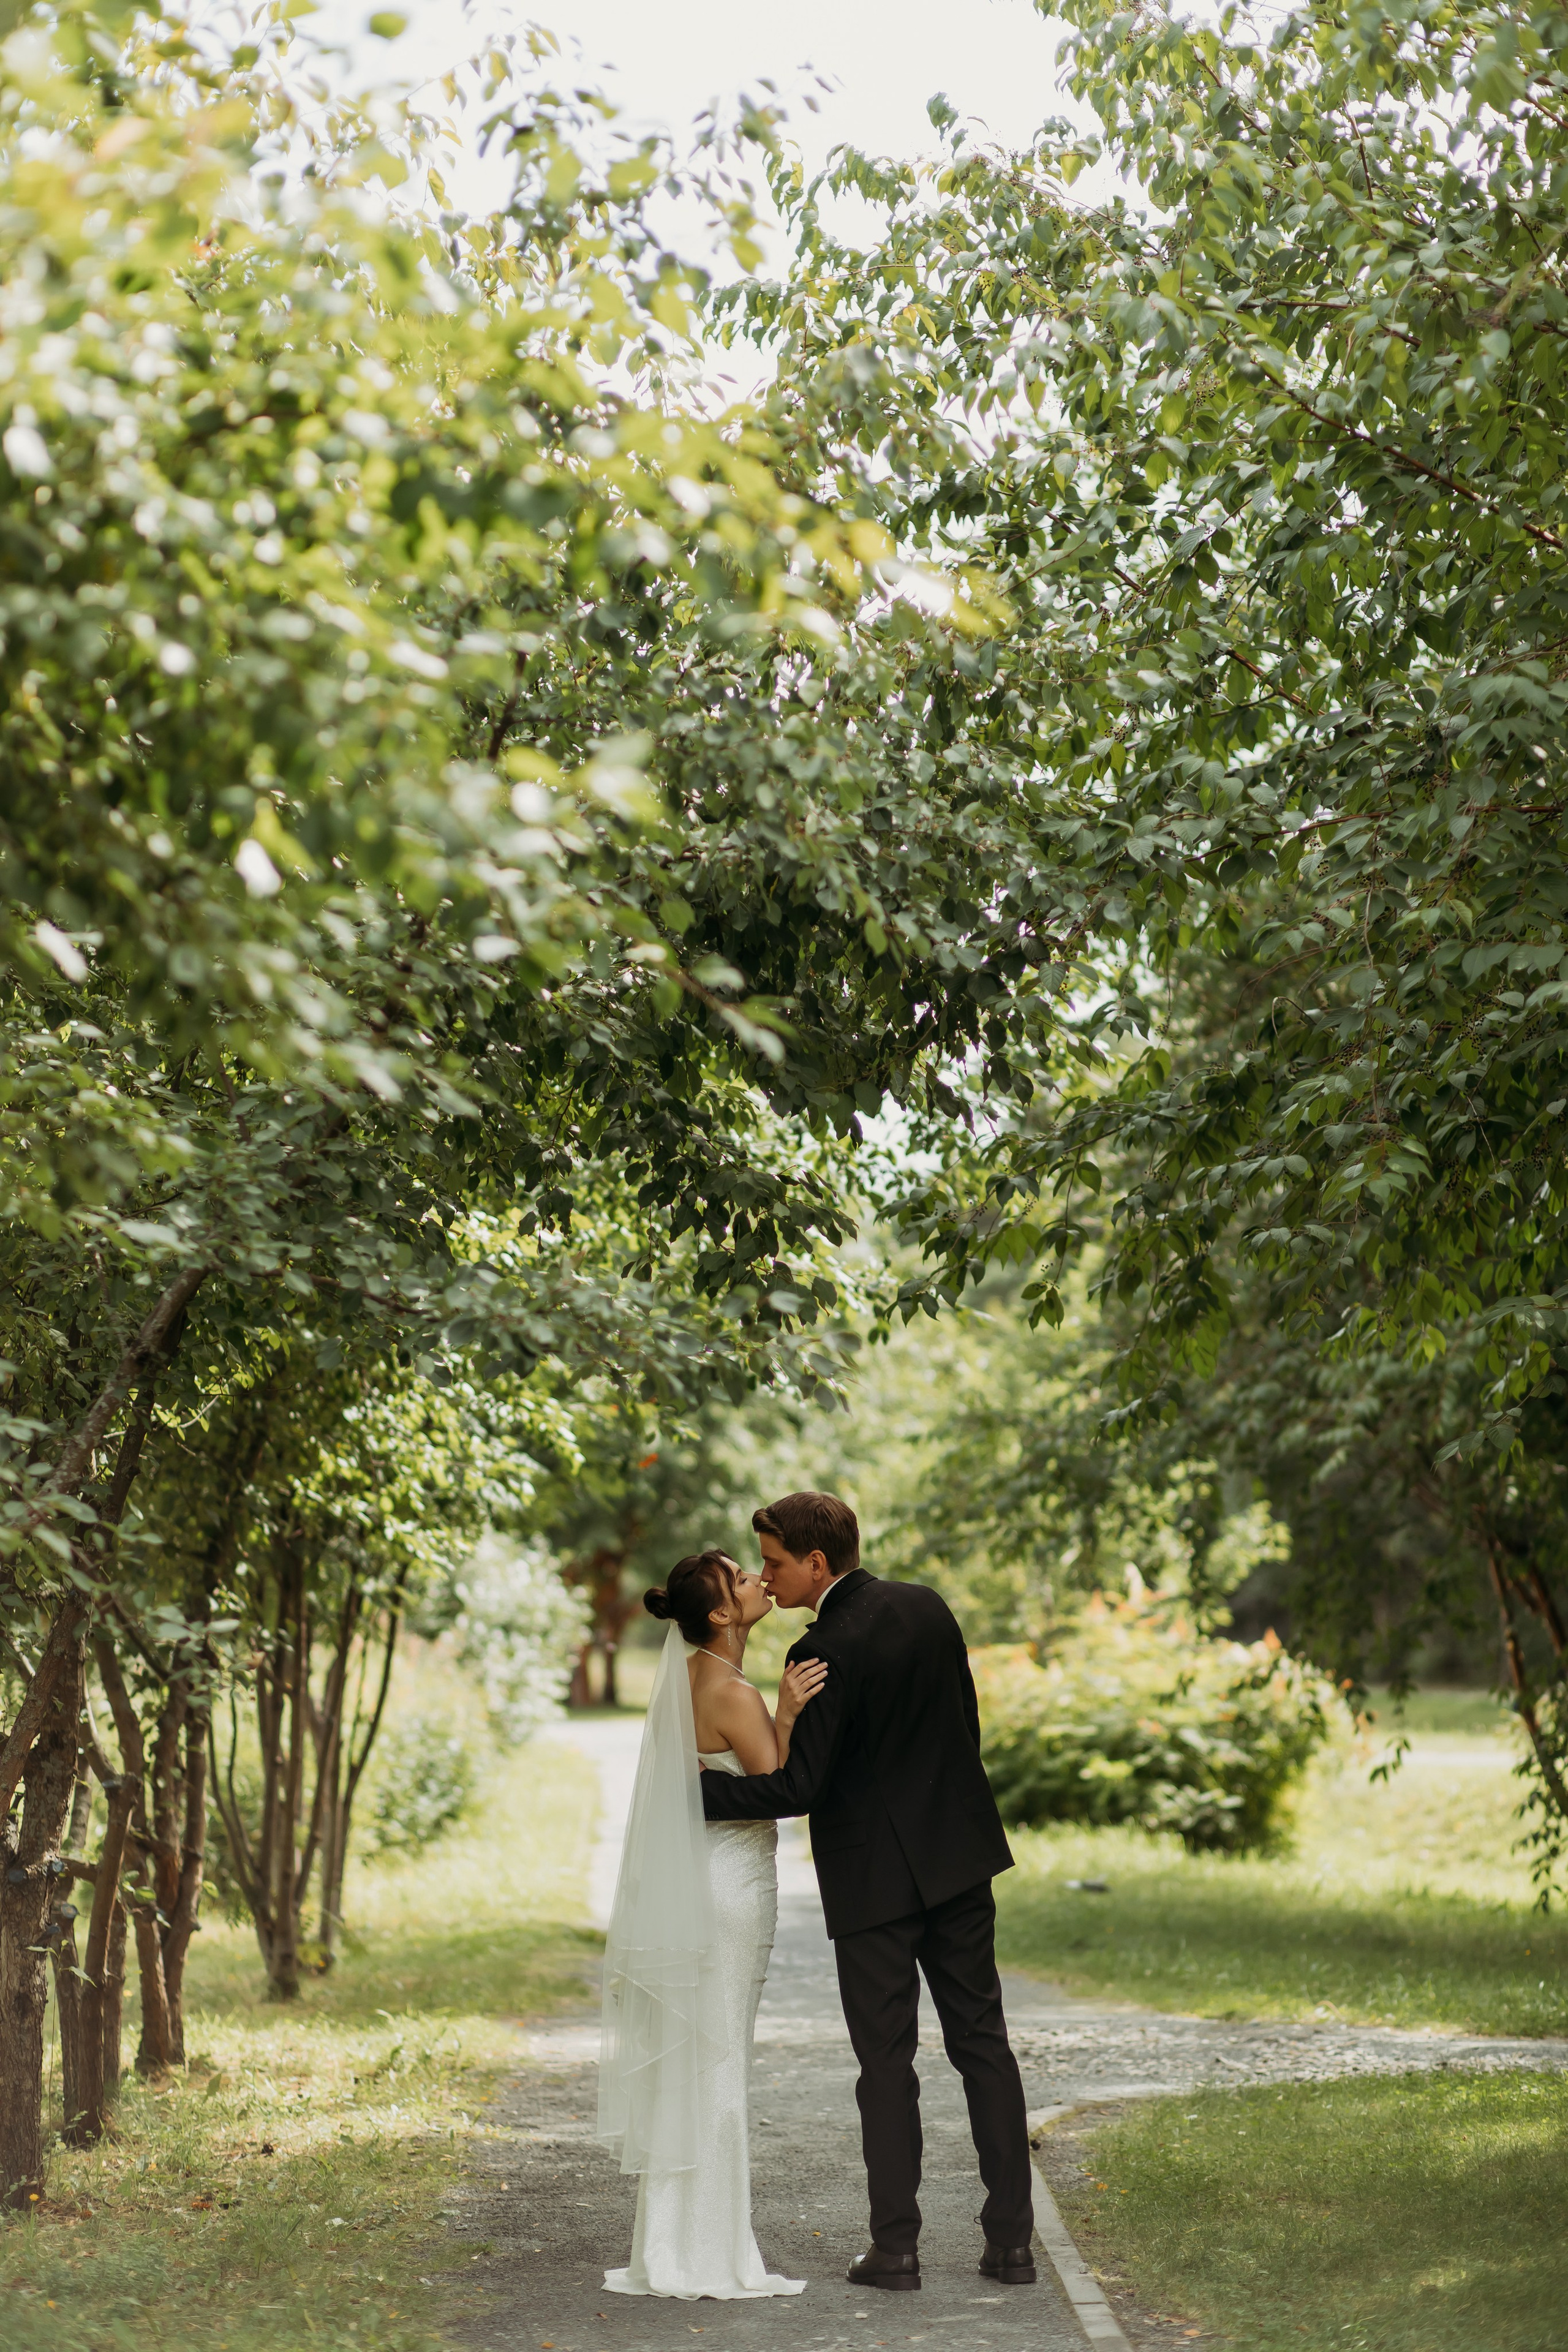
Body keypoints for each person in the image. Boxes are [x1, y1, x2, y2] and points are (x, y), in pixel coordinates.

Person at [699, 1491, 1036, 2294]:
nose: (769, 1577)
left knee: (885, 2064)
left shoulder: (820, 1652)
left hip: (873, 1881)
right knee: (983, 2043)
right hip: (958, 1861)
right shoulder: (928, 1610)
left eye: (775, 1562)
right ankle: (1012, 2246)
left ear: (817, 1562)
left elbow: (799, 1786)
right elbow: (963, 1723)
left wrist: (698, 1798)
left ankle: (898, 2251)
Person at [597, 1548, 827, 2300]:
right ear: (724, 1613)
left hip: (701, 1879)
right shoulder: (729, 1689)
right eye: (742, 1578)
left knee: (692, 2062)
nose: (759, 1580)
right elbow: (779, 1787)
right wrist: (788, 1711)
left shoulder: (691, 1677)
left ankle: (668, 2245)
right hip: (730, 1885)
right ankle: (708, 2253)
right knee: (720, 2060)